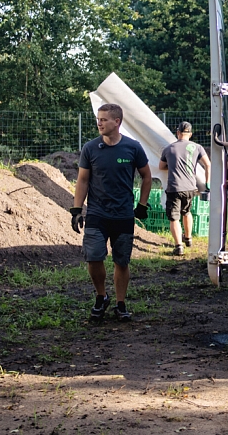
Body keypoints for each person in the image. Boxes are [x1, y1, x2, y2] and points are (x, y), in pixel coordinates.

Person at [70, 103, 152, 322]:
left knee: (121, 261)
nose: (99, 123)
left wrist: (142, 205)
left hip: (123, 215)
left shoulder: (133, 147)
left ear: (117, 122)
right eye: (98, 119)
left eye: (104, 119)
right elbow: (83, 180)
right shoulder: (90, 148)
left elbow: (147, 176)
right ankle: (101, 296)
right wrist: (77, 209)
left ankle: (120, 303)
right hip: (97, 214)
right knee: (93, 257)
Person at [158, 121, 210, 256]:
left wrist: (172, 166)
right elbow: (208, 165)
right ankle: (188, 238)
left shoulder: (169, 149)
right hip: (190, 187)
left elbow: (161, 166)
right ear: (190, 134)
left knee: (174, 218)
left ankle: (178, 246)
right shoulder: (197, 147)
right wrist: (207, 182)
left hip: (174, 187)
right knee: (186, 212)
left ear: (178, 133)